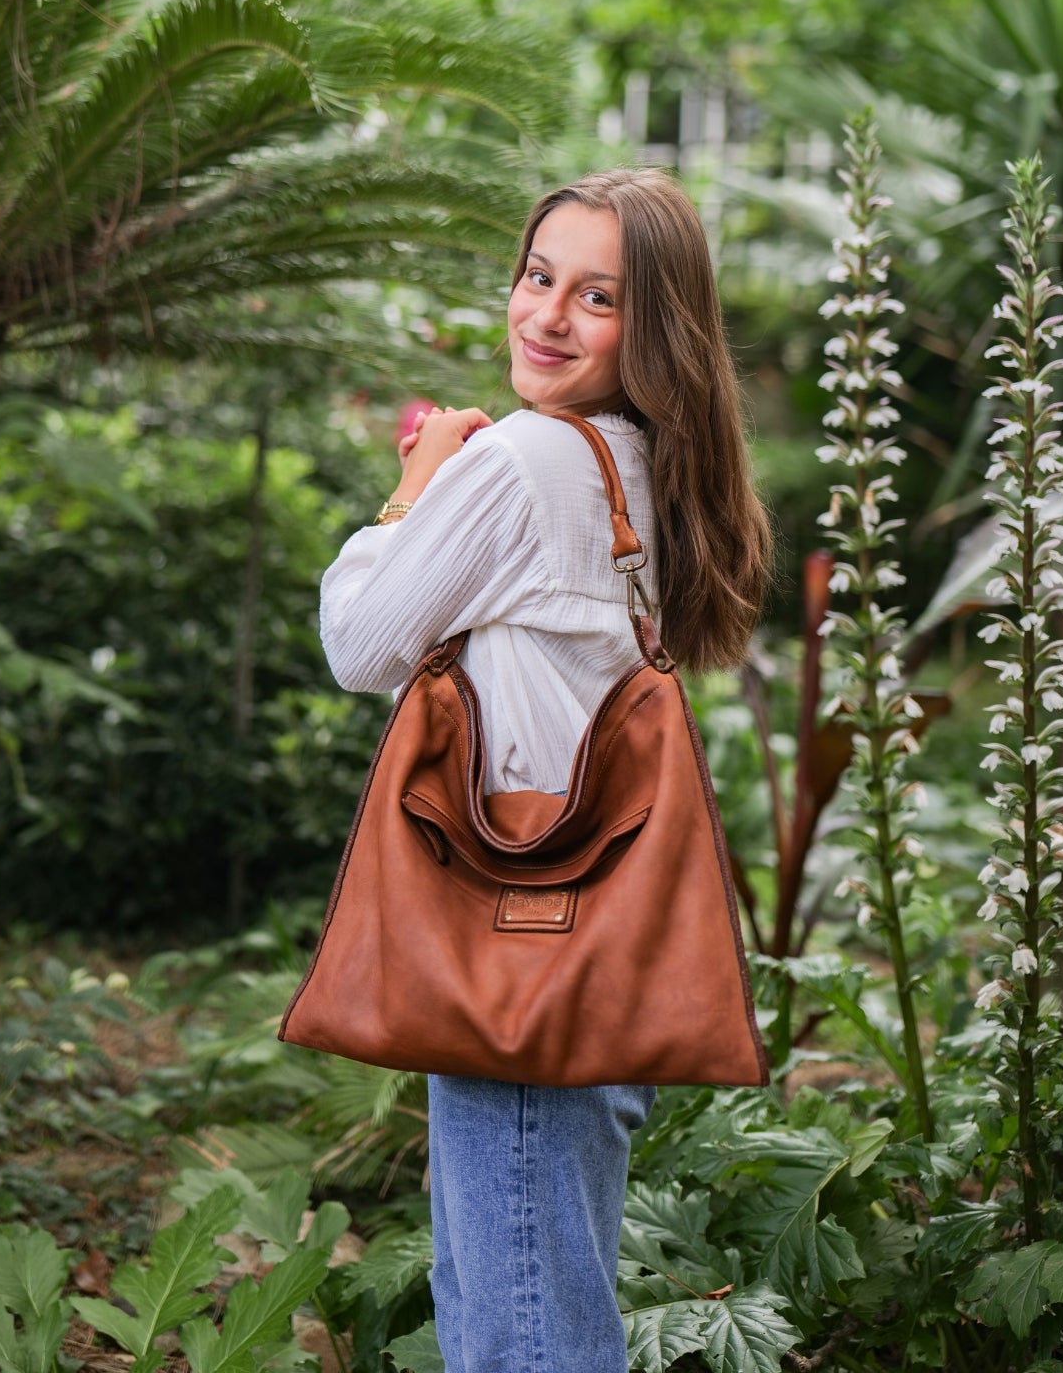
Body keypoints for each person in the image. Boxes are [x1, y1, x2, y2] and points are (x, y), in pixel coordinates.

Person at [318, 168, 771, 1373]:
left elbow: (360, 648)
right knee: (522, 1303)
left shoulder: (525, 461)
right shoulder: (642, 470)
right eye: (538, 276)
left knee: (521, 1331)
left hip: (517, 957)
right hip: (592, 957)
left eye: (598, 297)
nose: (547, 315)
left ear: (657, 328)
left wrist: (412, 490)